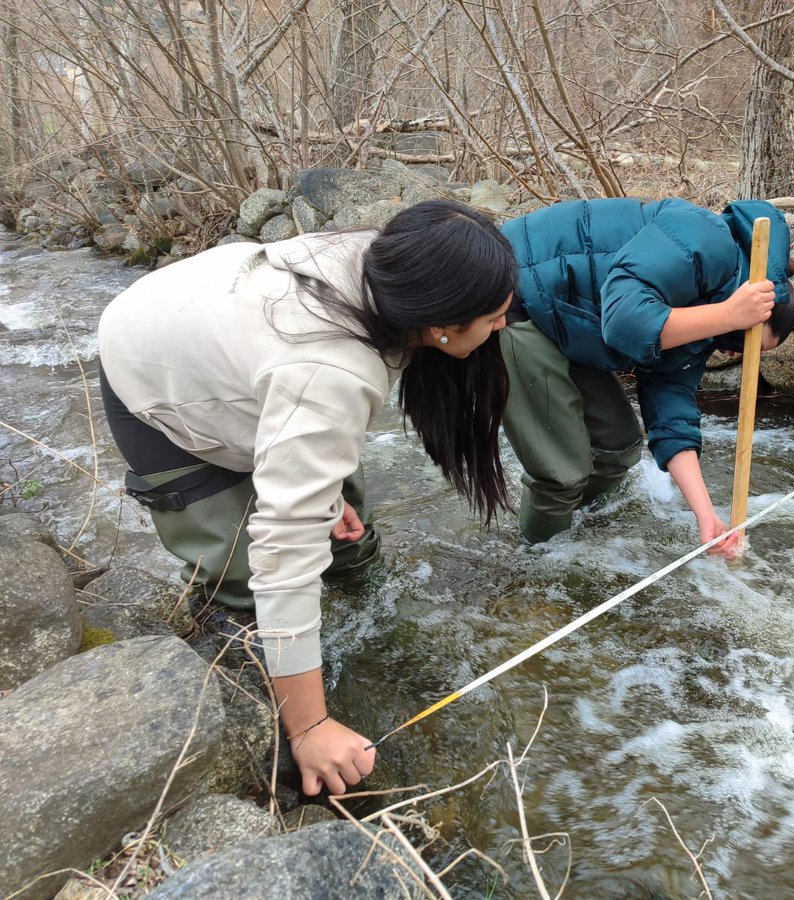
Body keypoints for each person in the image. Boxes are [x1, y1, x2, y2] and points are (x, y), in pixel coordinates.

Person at [97, 200, 516, 796]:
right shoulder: (330, 373)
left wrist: (314, 496)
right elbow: (284, 556)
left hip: (236, 343)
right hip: (151, 367)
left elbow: (304, 419)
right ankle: (271, 709)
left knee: (346, 531)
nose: (504, 326)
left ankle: (368, 630)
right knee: (239, 579)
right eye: (496, 316)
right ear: (441, 321)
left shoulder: (396, 268)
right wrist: (311, 727)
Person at [498, 197, 794, 558]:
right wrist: (728, 317)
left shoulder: (702, 331)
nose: (734, 353)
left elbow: (671, 417)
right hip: (510, 298)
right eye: (743, 344)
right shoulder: (707, 238)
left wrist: (707, 517)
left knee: (617, 446)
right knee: (562, 473)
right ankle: (535, 567)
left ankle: (571, 538)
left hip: (568, 323)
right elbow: (626, 320)